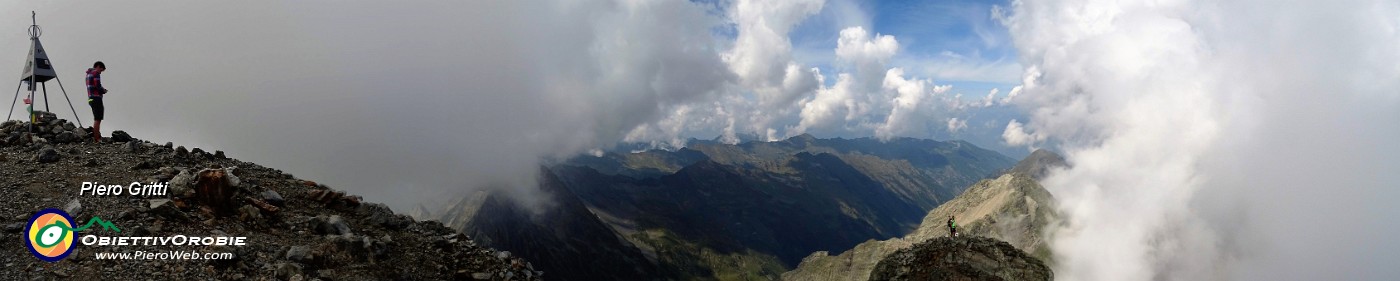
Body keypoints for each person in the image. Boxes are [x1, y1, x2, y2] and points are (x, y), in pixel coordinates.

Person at [85, 61, 107, 143]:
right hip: (96, 98)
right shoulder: (95, 73)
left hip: (90, 98)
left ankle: (96, 137)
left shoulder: (88, 74)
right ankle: (97, 139)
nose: (100, 73)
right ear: (98, 67)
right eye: (101, 70)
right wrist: (103, 91)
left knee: (96, 118)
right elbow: (98, 86)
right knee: (98, 119)